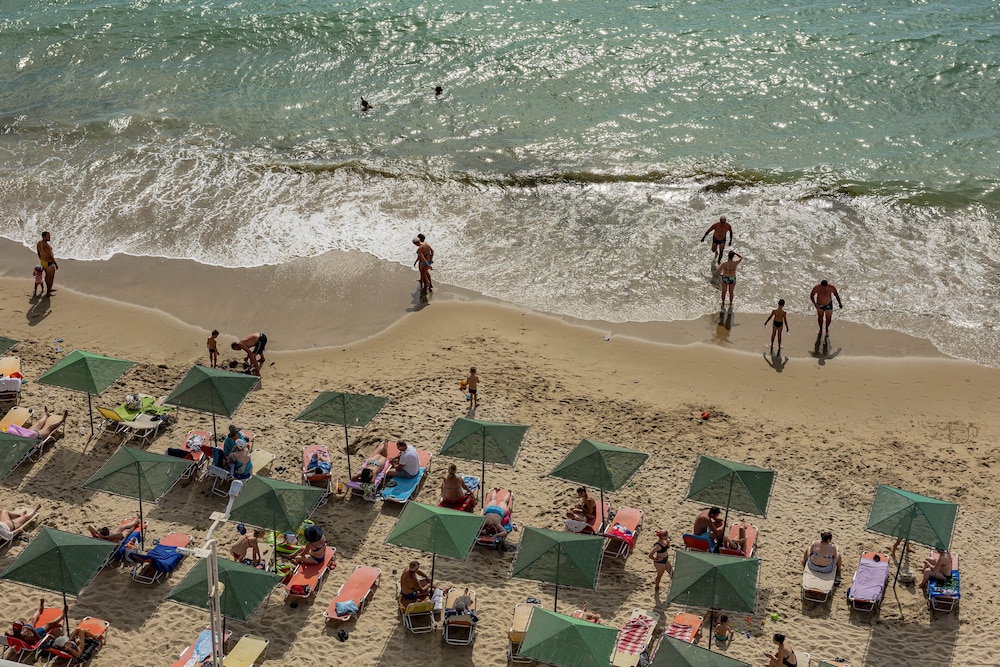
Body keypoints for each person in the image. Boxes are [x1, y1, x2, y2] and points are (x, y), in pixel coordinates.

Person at [36, 231, 57, 297]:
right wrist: (55, 264)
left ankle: (49, 288)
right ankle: (48, 292)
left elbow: (38, 252)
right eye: (48, 236)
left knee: (47, 276)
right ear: (44, 237)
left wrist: (41, 260)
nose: (50, 237)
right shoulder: (46, 246)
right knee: (51, 278)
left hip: (43, 261)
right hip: (49, 263)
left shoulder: (39, 243)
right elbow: (50, 257)